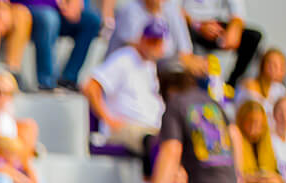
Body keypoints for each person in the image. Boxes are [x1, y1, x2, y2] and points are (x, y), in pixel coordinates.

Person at [148, 61, 239, 183]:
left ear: (167, 89)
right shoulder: (211, 102)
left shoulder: (175, 105)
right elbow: (235, 135)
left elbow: (171, 151)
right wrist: (238, 177)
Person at [82, 18, 165, 156]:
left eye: (158, 42)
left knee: (175, 140)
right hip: (126, 129)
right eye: (151, 41)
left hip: (150, 128)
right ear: (142, 39)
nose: (154, 46)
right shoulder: (124, 58)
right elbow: (90, 86)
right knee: (155, 142)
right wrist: (108, 120)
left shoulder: (150, 66)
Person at [14, 0, 101, 91]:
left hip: (58, 10)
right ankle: (47, 82)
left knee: (92, 21)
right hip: (33, 7)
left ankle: (68, 79)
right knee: (49, 18)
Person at [106, 0, 206, 75]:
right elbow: (141, 52)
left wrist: (195, 63)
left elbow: (186, 54)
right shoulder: (130, 9)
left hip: (156, 73)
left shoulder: (171, 9)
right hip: (127, 74)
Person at [183, 0, 261, 87]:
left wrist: (235, 26)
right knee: (185, 33)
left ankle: (231, 85)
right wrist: (199, 26)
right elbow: (173, 9)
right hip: (187, 25)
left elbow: (237, 10)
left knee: (253, 38)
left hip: (214, 26)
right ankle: (188, 82)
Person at [235, 100, 286, 183]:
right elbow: (238, 178)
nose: (255, 127)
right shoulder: (237, 140)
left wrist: (276, 181)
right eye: (251, 122)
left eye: (258, 123)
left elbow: (274, 172)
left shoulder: (266, 144)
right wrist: (258, 180)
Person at [236, 48, 286, 121]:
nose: (275, 69)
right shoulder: (247, 85)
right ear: (262, 65)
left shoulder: (280, 90)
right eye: (272, 64)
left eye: (281, 66)